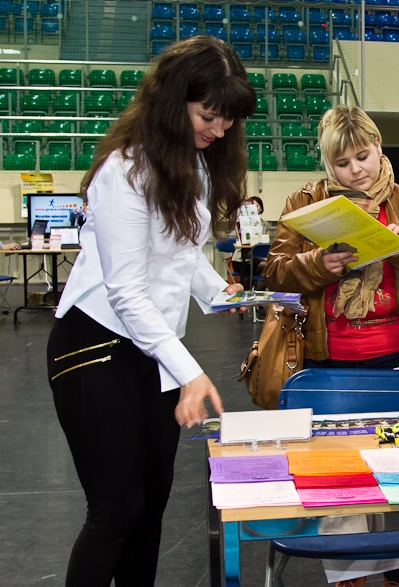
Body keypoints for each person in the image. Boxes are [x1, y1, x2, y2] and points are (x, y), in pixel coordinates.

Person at [45, 36, 255, 586]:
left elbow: (180, 255)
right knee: (115, 511)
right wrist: (189, 370)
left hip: (152, 350)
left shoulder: (198, 166)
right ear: (172, 100)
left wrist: (220, 293)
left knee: (150, 511)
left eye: (228, 121)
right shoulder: (126, 171)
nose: (219, 130)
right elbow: (127, 292)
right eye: (208, 115)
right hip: (94, 346)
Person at [264, 105, 399, 587]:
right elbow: (273, 274)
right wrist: (315, 265)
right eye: (342, 163)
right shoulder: (305, 204)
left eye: (363, 157)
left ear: (378, 146)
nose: (356, 171)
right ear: (327, 164)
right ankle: (349, 579)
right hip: (327, 366)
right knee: (340, 494)